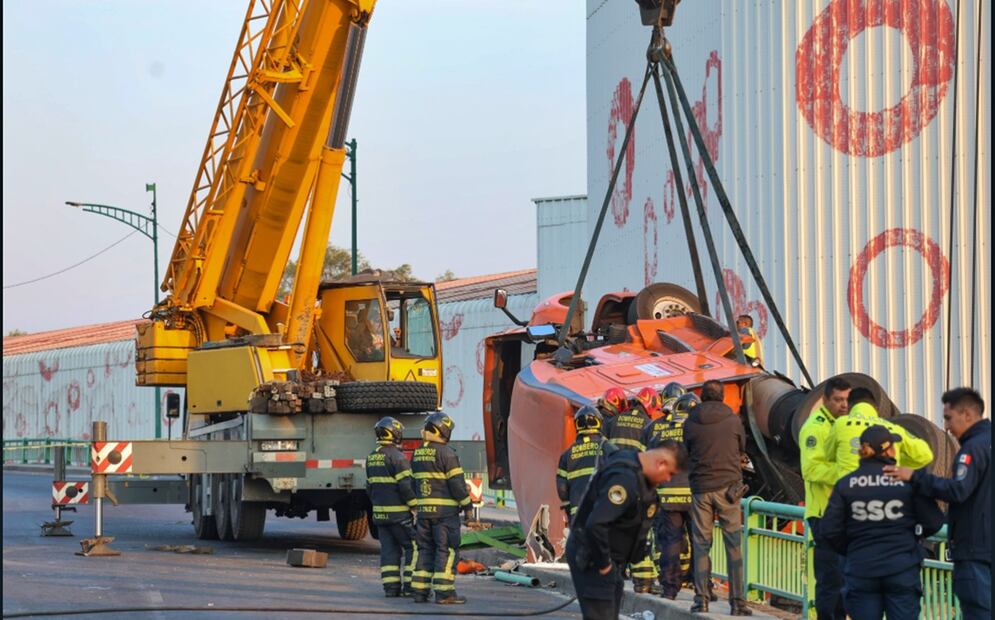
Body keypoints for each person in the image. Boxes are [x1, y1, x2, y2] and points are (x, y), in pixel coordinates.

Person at [884, 388, 991, 619]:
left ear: (967, 414)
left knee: (979, 611)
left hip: (974, 548)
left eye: (949, 418)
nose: (947, 427)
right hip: (985, 545)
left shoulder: (972, 450)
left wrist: (915, 477)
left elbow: (958, 490)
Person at [818, 425, 945, 620]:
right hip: (901, 568)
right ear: (887, 450)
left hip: (861, 568)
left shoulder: (846, 484)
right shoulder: (906, 481)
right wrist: (912, 537)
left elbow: (829, 529)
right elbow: (933, 521)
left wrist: (852, 548)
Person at [565, 441, 687, 620]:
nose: (668, 480)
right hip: (593, 557)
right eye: (670, 473)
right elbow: (596, 524)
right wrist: (604, 565)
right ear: (661, 463)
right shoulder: (624, 478)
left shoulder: (636, 471)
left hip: (609, 559)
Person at [683, 379, 751, 615]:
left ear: (702, 397)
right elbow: (742, 447)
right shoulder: (733, 419)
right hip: (729, 489)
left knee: (701, 545)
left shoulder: (690, 421)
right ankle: (738, 603)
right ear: (722, 396)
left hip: (701, 489)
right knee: (733, 546)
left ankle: (701, 599)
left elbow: (687, 450)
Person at [799, 377, 851, 620]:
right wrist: (846, 473)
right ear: (825, 400)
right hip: (824, 514)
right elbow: (811, 469)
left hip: (841, 514)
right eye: (838, 400)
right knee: (831, 578)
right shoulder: (815, 428)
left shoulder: (843, 425)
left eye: (847, 400)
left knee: (843, 577)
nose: (844, 405)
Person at [410, 412, 472, 604]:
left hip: (423, 514)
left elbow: (412, 484)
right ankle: (445, 594)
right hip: (445, 515)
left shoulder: (417, 453)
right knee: (446, 550)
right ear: (443, 430)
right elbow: (457, 485)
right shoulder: (447, 453)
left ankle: (419, 592)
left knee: (425, 550)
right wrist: (468, 506)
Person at [643, 390, 699, 600]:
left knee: (670, 543)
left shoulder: (659, 436)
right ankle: (702, 586)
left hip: (667, 497)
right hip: (693, 496)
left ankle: (669, 588)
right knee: (699, 542)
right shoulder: (695, 435)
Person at [824, 388, 933, 480]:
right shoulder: (893, 428)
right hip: (886, 492)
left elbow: (828, 456)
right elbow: (925, 455)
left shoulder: (841, 423)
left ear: (849, 408)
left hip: (851, 489)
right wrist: (897, 460)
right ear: (876, 408)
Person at [366, 417, 418, 597]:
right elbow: (405, 486)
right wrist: (415, 506)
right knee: (414, 546)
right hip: (399, 516)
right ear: (394, 434)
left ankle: (391, 588)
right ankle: (410, 587)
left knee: (389, 551)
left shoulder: (371, 457)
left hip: (380, 516)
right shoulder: (398, 457)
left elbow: (369, 487)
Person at [556, 405, 617, 526]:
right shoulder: (609, 448)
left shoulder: (567, 455)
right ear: (599, 423)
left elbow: (562, 489)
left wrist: (568, 510)